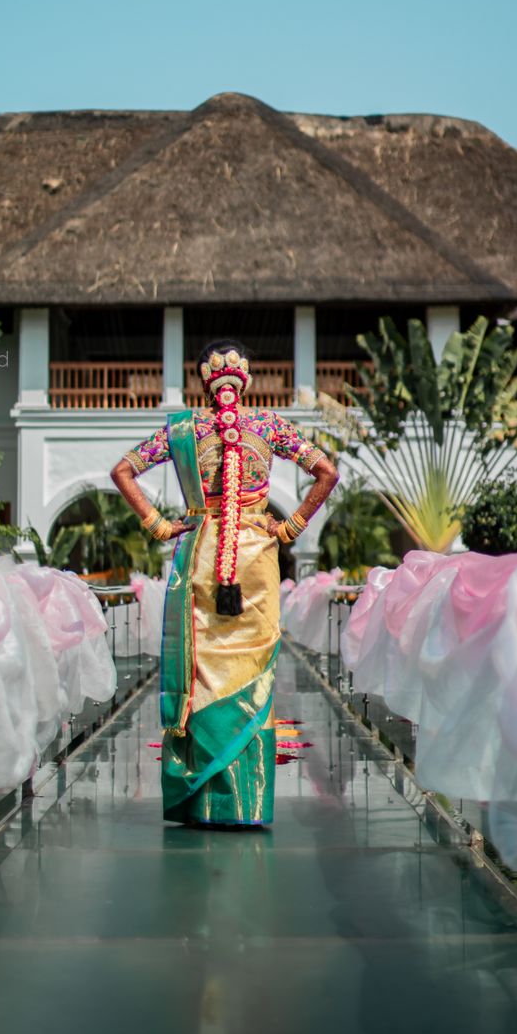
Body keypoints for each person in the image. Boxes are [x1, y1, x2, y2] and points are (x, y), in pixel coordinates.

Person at [110, 339, 338, 828]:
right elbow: (327, 471)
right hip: (256, 555)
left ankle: (202, 800)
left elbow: (122, 470)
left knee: (204, 673)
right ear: (246, 379)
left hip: (202, 554)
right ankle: (245, 805)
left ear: (204, 383)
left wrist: (159, 525)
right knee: (253, 671)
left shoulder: (185, 430)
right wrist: (290, 527)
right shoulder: (271, 426)